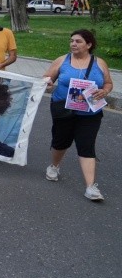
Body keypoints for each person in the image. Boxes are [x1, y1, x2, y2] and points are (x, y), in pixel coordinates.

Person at [43, 29, 114, 201]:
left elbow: (108, 83)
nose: (73, 44)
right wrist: (48, 83)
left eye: (78, 41)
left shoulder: (99, 63)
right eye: (72, 40)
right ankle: (54, 166)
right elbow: (47, 78)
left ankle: (91, 187)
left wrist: (104, 91)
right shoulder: (63, 60)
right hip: (64, 109)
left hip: (91, 112)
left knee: (86, 145)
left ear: (89, 45)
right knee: (61, 142)